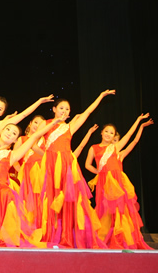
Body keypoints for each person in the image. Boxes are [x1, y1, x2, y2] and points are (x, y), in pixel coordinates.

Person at [0, 115, 65, 247]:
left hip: (1, 195)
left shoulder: (12, 155)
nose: (9, 133)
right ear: (1, 131)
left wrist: (52, 123)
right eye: (8, 129)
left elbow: (34, 136)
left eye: (14, 133)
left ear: (15, 140)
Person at [38, 89, 115, 248]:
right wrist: (47, 155)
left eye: (67, 109)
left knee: (69, 200)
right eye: (61, 108)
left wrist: (100, 96)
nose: (64, 111)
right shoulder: (45, 123)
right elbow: (33, 141)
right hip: (51, 165)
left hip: (67, 166)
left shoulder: (70, 126)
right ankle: (51, 235)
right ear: (54, 109)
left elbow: (87, 112)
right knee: (51, 199)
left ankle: (68, 235)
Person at [84, 114, 153, 249]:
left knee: (118, 210)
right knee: (104, 209)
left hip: (116, 182)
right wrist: (100, 172)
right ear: (101, 132)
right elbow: (87, 165)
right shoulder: (93, 148)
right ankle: (103, 238)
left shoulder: (115, 148)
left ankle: (119, 238)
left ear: (114, 136)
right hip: (104, 182)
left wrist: (139, 122)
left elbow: (131, 137)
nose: (108, 134)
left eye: (112, 133)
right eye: (106, 131)